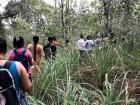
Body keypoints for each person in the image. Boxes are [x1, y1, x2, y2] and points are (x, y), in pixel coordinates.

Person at [0, 37, 32, 104]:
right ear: (5, 50)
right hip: (14, 97)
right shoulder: (26, 54)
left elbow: (10, 60)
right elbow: (28, 88)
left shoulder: (12, 53)